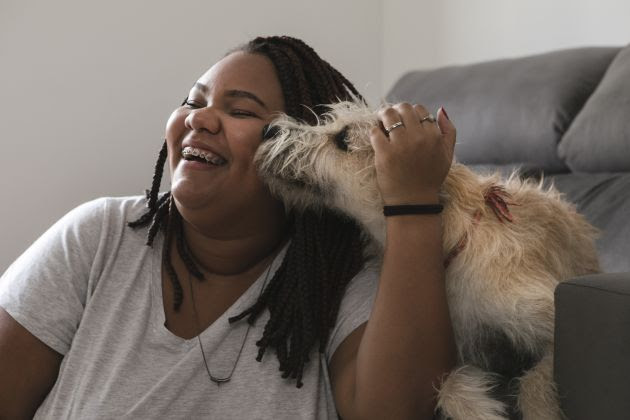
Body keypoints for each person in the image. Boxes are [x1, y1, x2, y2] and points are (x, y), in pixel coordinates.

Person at [0, 36, 457, 419]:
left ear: (302, 157)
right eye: (192, 102)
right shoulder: (99, 236)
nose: (197, 118)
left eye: (241, 111)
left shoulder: (341, 276)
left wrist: (413, 203)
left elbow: (397, 411)